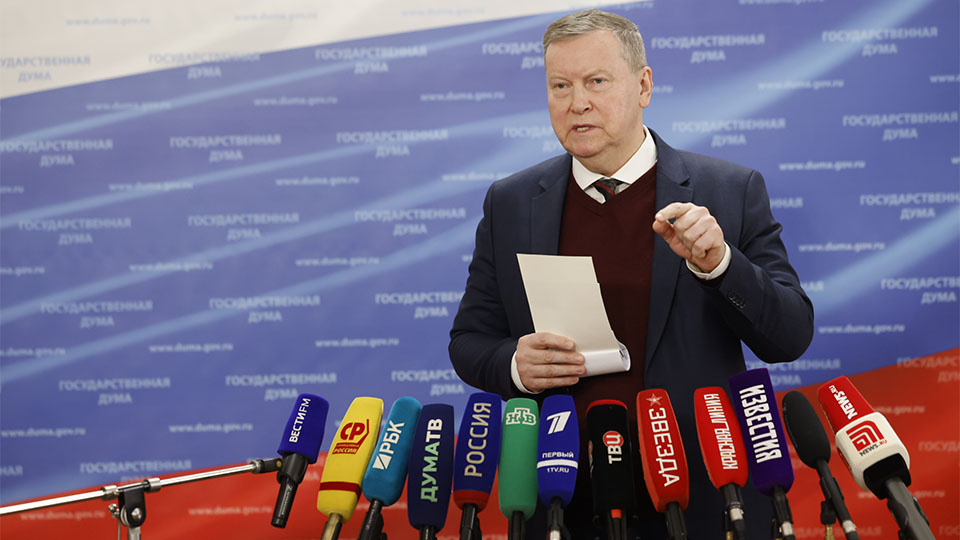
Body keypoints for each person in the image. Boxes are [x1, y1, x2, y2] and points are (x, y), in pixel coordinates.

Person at [449, 8, 814, 539]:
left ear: (643, 86)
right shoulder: (511, 202)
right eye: (560, 85)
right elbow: (469, 341)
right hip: (564, 500)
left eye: (596, 81)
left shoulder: (728, 191)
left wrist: (720, 265)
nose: (577, 102)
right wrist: (515, 366)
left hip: (705, 494)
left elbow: (790, 335)